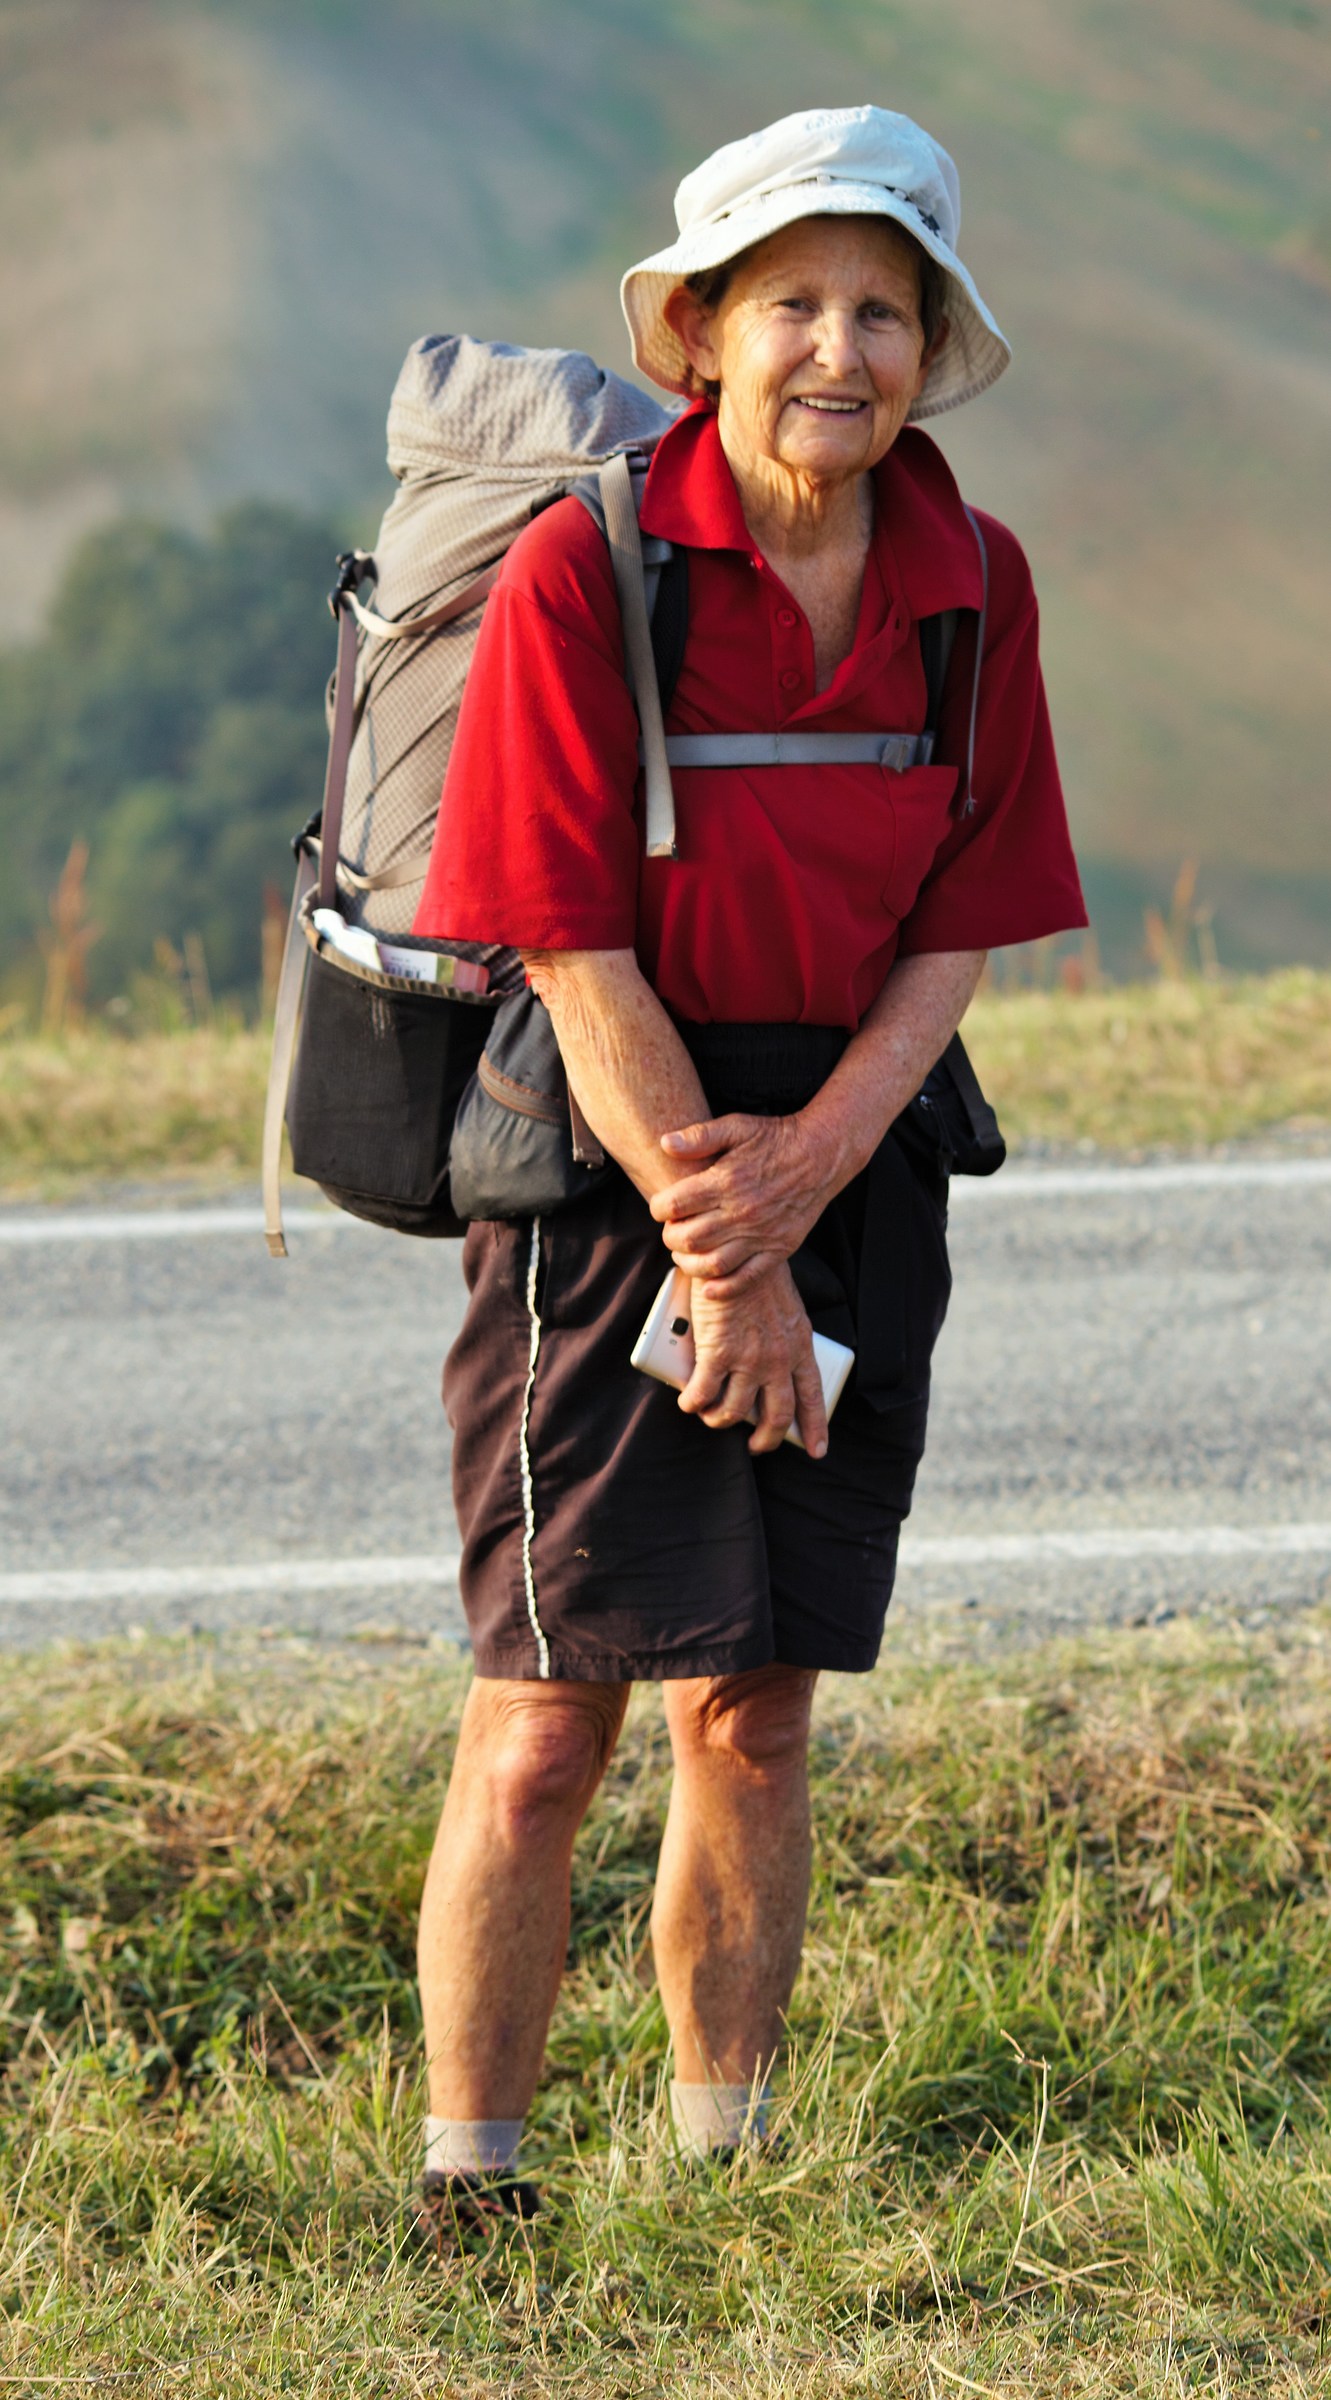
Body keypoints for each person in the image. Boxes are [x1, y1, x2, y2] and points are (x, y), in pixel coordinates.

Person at [410, 103, 1086, 2229]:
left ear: (930, 346)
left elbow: (962, 922)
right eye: (792, 301)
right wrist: (728, 1253)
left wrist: (808, 1191)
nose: (841, 349)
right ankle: (471, 2189)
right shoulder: (583, 567)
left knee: (760, 1710)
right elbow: (565, 934)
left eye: (885, 307)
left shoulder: (972, 584)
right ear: (699, 332)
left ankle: (725, 2172)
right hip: (613, 1154)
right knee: (546, 1724)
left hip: (852, 1156)